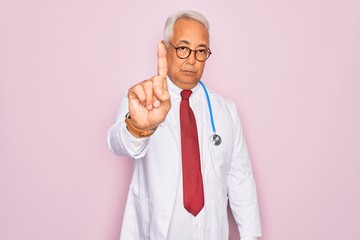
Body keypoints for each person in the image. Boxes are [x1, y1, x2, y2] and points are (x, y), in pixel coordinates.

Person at [107, 10, 262, 240]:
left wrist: (250, 235)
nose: (191, 59)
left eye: (201, 51)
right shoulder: (144, 99)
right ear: (165, 48)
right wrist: (138, 128)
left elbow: (239, 177)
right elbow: (116, 142)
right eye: (183, 48)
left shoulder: (226, 110)